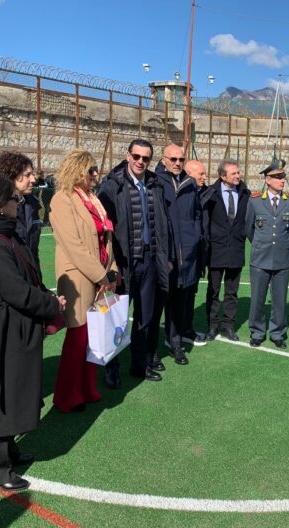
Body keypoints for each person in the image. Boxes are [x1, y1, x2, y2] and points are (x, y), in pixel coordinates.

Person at [0, 174, 65, 492]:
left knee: (15, 388)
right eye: (13, 199)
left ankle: (8, 450)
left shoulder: (3, 235)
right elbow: (16, 291)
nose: (17, 203)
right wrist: (51, 304)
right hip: (0, 328)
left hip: (13, 325)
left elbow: (25, 279)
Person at [98, 139, 171, 382]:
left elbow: (163, 225)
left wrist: (165, 257)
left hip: (149, 260)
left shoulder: (156, 184)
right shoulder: (112, 186)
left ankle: (140, 364)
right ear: (128, 156)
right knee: (115, 317)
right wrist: (110, 265)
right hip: (123, 263)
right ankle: (112, 367)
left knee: (146, 316)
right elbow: (103, 230)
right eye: (136, 156)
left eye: (146, 158)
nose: (141, 161)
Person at [50, 150, 117, 411]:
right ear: (77, 170)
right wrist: (102, 275)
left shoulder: (93, 199)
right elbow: (73, 245)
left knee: (95, 337)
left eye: (95, 169)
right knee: (78, 338)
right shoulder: (62, 199)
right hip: (78, 278)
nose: (95, 174)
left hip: (101, 276)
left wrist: (113, 269)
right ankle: (67, 396)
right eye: (91, 169)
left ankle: (88, 389)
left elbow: (107, 239)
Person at [153, 144, 203, 364]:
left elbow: (196, 217)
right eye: (172, 159)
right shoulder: (154, 182)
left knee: (178, 303)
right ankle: (151, 350)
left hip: (186, 256)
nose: (177, 163)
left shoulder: (190, 184)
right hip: (164, 256)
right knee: (154, 306)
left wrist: (194, 242)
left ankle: (175, 344)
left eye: (181, 159)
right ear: (163, 159)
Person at [246, 160, 289, 348]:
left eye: (283, 176)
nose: (282, 180)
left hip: (282, 258)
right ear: (267, 180)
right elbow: (249, 229)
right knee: (258, 299)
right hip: (260, 258)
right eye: (277, 177)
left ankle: (277, 334)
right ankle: (257, 332)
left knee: (280, 300)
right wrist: (261, 245)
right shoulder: (255, 201)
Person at [200, 159, 250, 342]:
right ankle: (212, 326)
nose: (238, 176)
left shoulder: (245, 193)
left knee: (232, 291)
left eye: (238, 172)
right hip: (215, 250)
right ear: (223, 176)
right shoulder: (210, 193)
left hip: (236, 249)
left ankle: (228, 326)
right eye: (234, 173)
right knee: (213, 291)